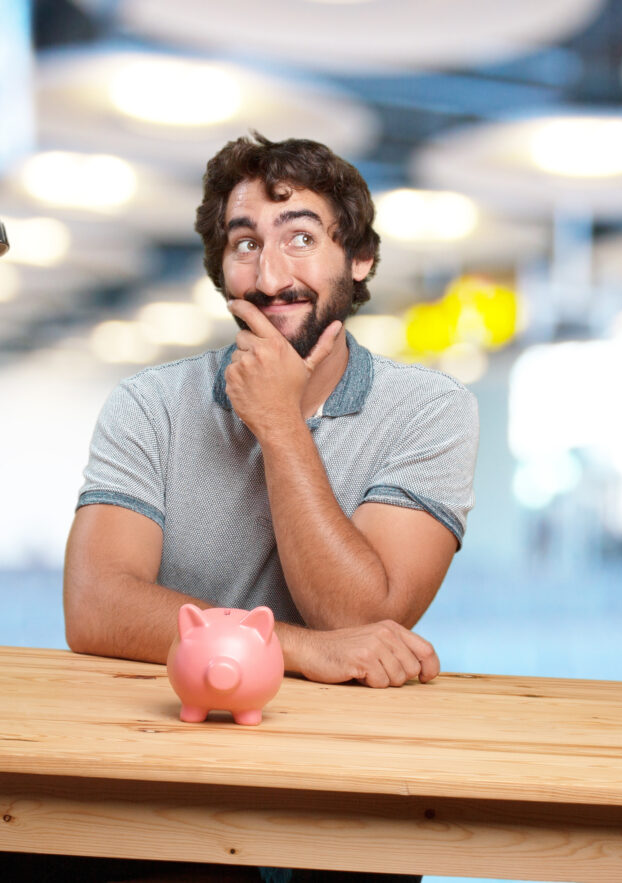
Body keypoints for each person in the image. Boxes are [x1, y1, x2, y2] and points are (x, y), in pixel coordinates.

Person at [53, 132, 479, 882]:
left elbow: (361, 616)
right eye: (244, 242)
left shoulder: (431, 411)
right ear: (221, 268)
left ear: (360, 259)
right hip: (167, 783)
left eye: (301, 238)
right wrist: (298, 648)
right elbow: (94, 604)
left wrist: (281, 425)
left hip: (352, 796)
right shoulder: (149, 405)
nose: (270, 272)